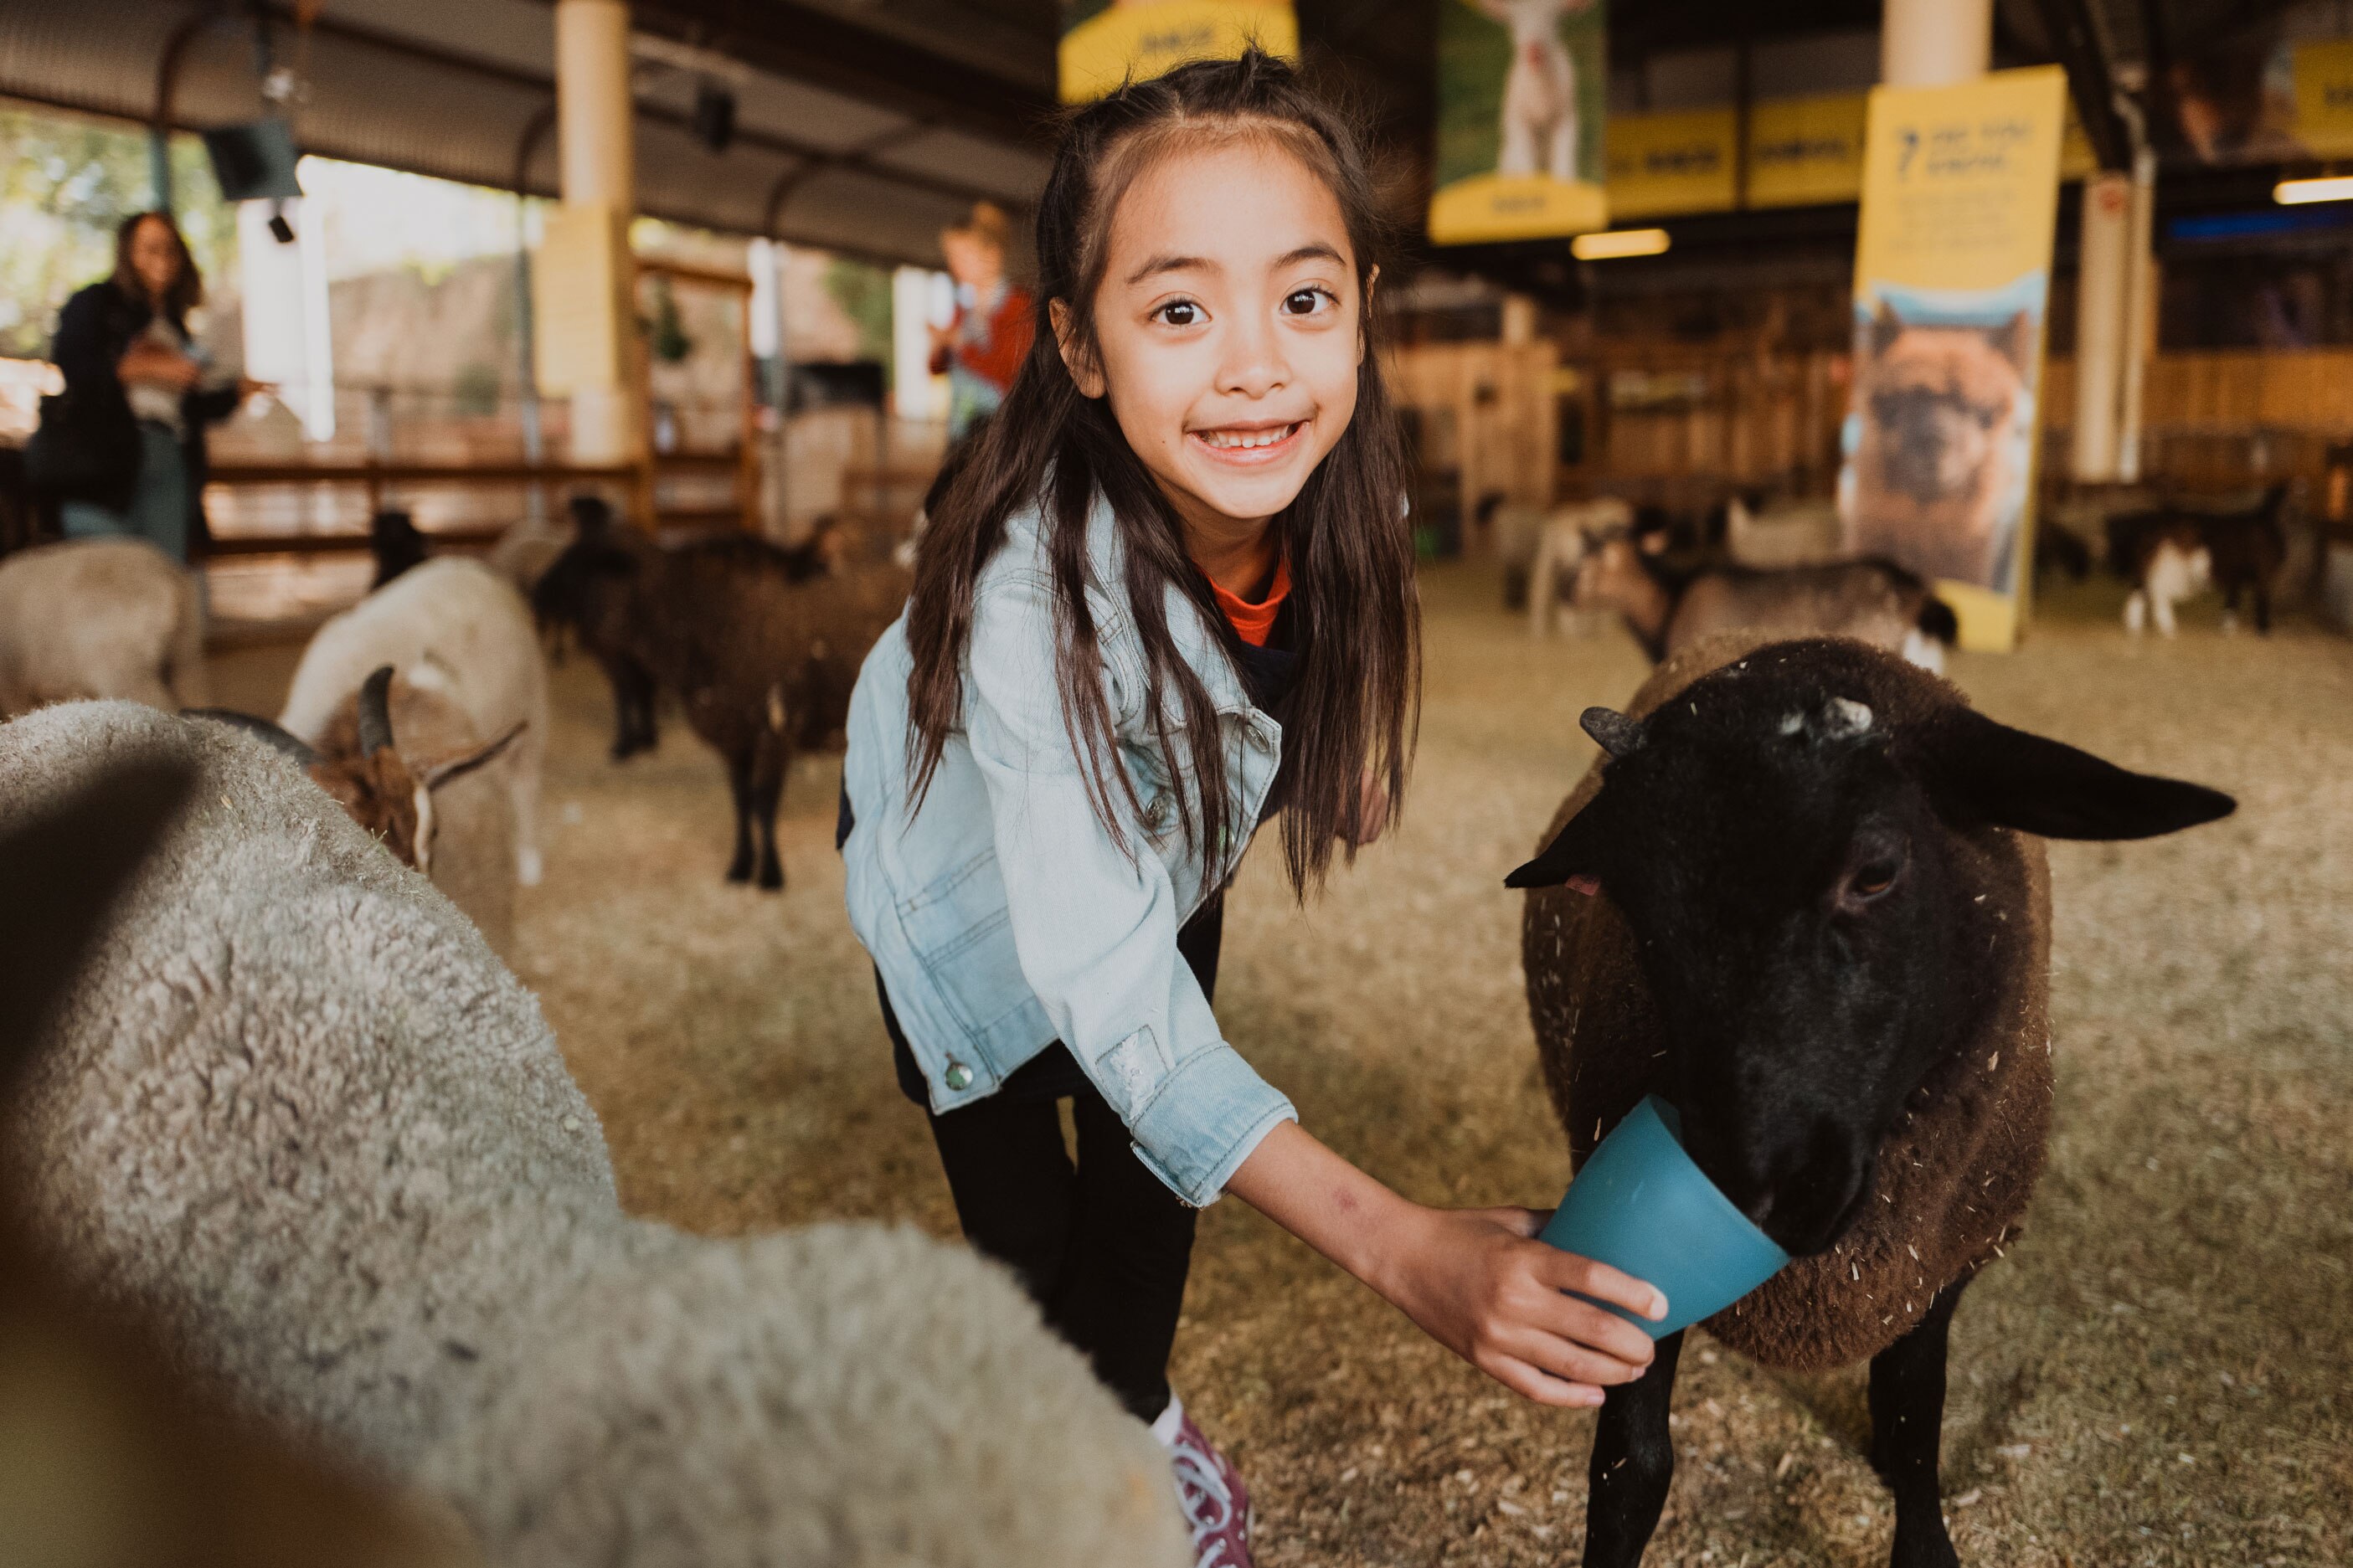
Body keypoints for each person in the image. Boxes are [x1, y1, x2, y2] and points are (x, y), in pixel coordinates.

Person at [840, 54, 1664, 1568]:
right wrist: (1402, 1246)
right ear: (1078, 346)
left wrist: (1309, 758)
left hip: (1158, 850)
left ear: (1358, 303)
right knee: (1034, 1243)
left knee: (1158, 1186)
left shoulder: (1333, 481)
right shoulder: (1033, 607)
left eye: (1301, 299)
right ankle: (1079, 1477)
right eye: (1177, 309)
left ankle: (1133, 1415)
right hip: (965, 914)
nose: (1255, 368)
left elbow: (1287, 661)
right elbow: (1107, 990)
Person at [43, 212, 260, 561]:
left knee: (161, 572)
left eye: (170, 249)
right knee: (106, 572)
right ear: (127, 252)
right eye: (150, 248)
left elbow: (189, 407)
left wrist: (235, 394)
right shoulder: (95, 303)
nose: (161, 259)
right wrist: (147, 368)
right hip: (104, 460)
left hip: (167, 453)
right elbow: (74, 367)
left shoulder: (174, 326)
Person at [927, 201, 1034, 440]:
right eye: (952, 256)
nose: (955, 264)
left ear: (992, 256)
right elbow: (937, 369)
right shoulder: (962, 309)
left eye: (963, 255)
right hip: (962, 426)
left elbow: (1013, 370)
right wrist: (939, 348)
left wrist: (961, 346)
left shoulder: (1017, 305)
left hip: (1001, 428)